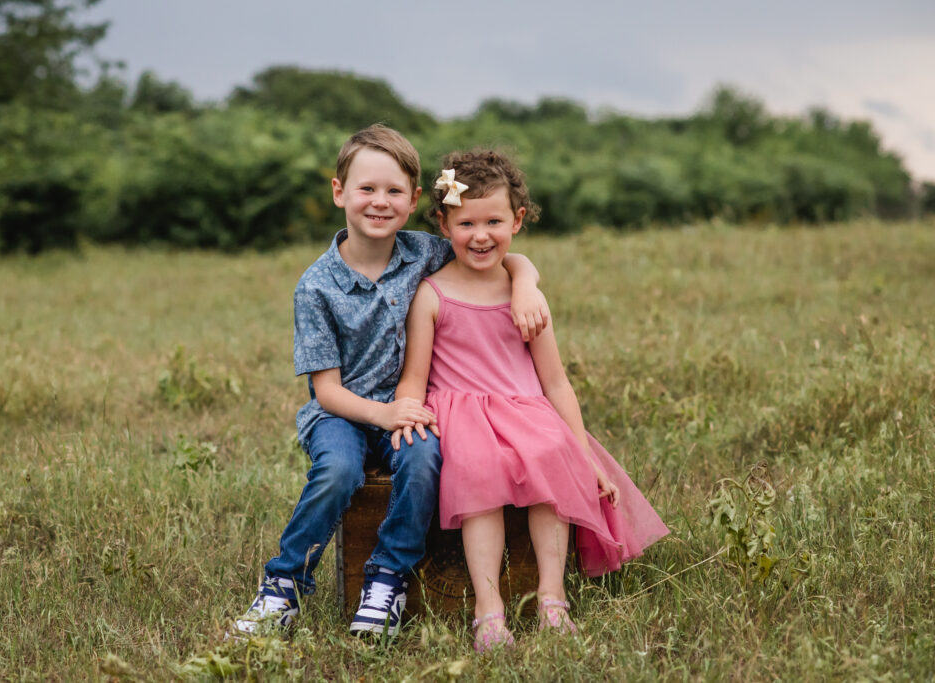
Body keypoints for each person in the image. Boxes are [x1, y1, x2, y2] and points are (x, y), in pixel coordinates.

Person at [232, 126, 549, 640]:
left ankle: (386, 579)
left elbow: (493, 245)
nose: (380, 202)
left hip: (412, 407)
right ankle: (283, 586)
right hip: (344, 413)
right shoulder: (315, 287)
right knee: (338, 470)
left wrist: (527, 283)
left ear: (415, 200)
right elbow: (326, 391)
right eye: (366, 189)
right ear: (339, 193)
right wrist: (385, 414)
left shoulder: (424, 252)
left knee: (424, 459)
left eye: (394, 191)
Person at [392, 149, 669, 653]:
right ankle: (488, 609)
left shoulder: (528, 299)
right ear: (442, 222)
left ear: (517, 220)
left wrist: (584, 455)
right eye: (466, 222)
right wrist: (405, 413)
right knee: (478, 469)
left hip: (526, 409)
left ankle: (552, 597)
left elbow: (556, 382)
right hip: (465, 414)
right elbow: (414, 376)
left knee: (551, 456)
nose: (481, 235)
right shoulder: (432, 295)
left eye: (494, 221)